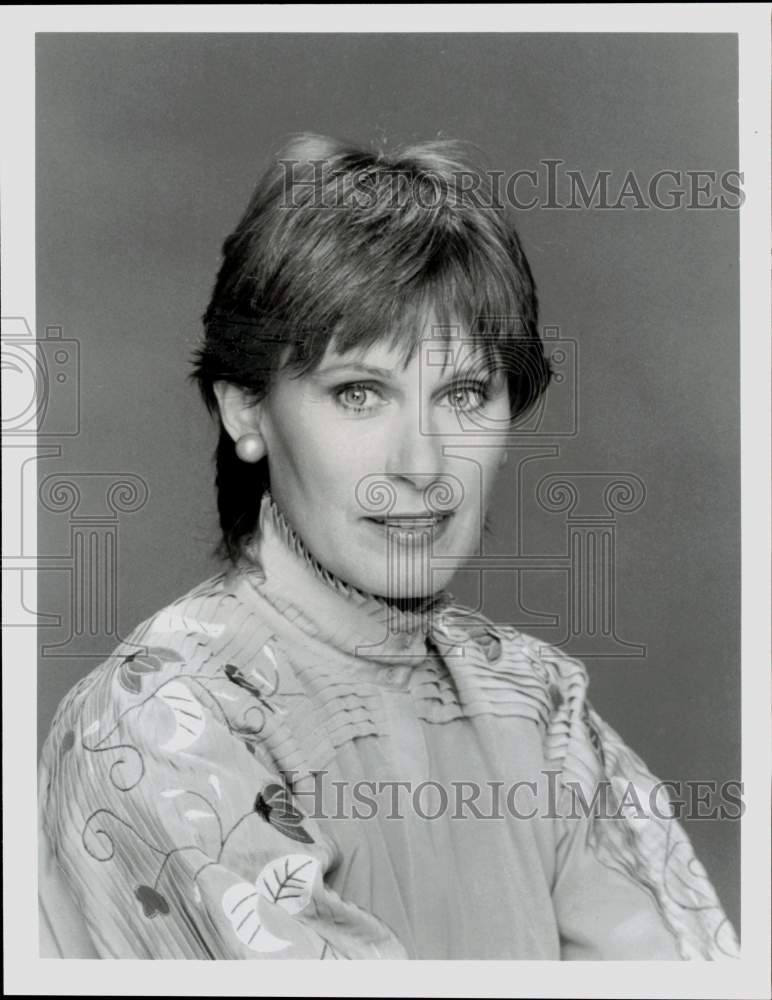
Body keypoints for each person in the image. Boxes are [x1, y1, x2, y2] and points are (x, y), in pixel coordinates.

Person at [38, 134, 739, 960]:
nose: (421, 464)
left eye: (465, 392)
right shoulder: (160, 721)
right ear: (246, 413)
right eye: (360, 393)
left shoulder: (538, 705)